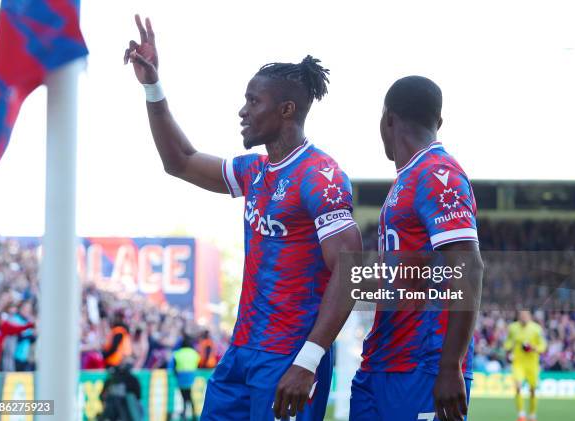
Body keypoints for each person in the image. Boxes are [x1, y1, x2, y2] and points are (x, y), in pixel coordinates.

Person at [125, 15, 362, 420]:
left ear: (287, 110)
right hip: (242, 352)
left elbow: (350, 269)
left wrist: (309, 358)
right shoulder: (254, 171)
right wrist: (152, 85)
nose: (242, 111)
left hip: (290, 356)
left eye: (254, 102)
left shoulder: (320, 176)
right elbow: (179, 161)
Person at [349, 76, 484, 421]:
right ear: (438, 122)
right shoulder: (408, 179)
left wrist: (450, 365)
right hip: (382, 361)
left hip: (422, 365)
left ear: (387, 119)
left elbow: (468, 267)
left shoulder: (438, 173)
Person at [504, 310, 547, 421]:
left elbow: (543, 345)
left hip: (532, 364)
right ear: (518, 317)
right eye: (521, 316)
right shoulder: (513, 328)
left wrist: (534, 348)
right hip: (518, 363)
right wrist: (508, 348)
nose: (523, 318)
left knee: (532, 390)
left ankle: (532, 415)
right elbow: (508, 342)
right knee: (518, 387)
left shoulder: (536, 329)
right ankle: (521, 415)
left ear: (530, 317)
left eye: (525, 316)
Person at [171, 336, 200, 421]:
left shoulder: (177, 353)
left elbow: (173, 366)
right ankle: (194, 413)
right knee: (190, 395)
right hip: (191, 376)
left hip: (181, 377)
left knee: (184, 396)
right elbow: (198, 363)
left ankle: (185, 413)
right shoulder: (194, 353)